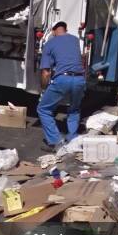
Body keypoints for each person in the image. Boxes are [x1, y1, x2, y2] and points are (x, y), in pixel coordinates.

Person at [37, 21, 86, 151]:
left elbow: (46, 72)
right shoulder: (75, 40)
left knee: (43, 109)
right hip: (80, 79)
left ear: (53, 31)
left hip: (63, 79)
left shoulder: (50, 43)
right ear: (66, 29)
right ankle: (72, 138)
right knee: (74, 109)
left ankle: (56, 142)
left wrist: (43, 88)